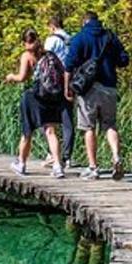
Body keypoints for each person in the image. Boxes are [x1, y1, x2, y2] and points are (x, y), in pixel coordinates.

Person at [62, 11, 130, 180]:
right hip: (109, 87)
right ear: (97, 21)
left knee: (88, 127)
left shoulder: (79, 38)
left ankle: (93, 168)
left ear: (84, 22)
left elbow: (69, 65)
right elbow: (124, 60)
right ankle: (116, 157)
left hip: (88, 90)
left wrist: (67, 88)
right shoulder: (110, 37)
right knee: (110, 125)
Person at [4, 28, 65, 178]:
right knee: (51, 131)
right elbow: (62, 71)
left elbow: (23, 77)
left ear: (25, 42)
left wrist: (11, 77)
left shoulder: (27, 55)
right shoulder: (48, 54)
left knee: (27, 132)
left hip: (35, 96)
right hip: (51, 96)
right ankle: (57, 166)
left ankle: (22, 164)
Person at [42, 16, 74, 169]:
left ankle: (52, 154)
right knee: (67, 120)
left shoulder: (51, 40)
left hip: (53, 84)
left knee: (48, 119)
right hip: (69, 82)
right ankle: (67, 157)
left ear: (52, 27)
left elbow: (44, 60)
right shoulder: (71, 39)